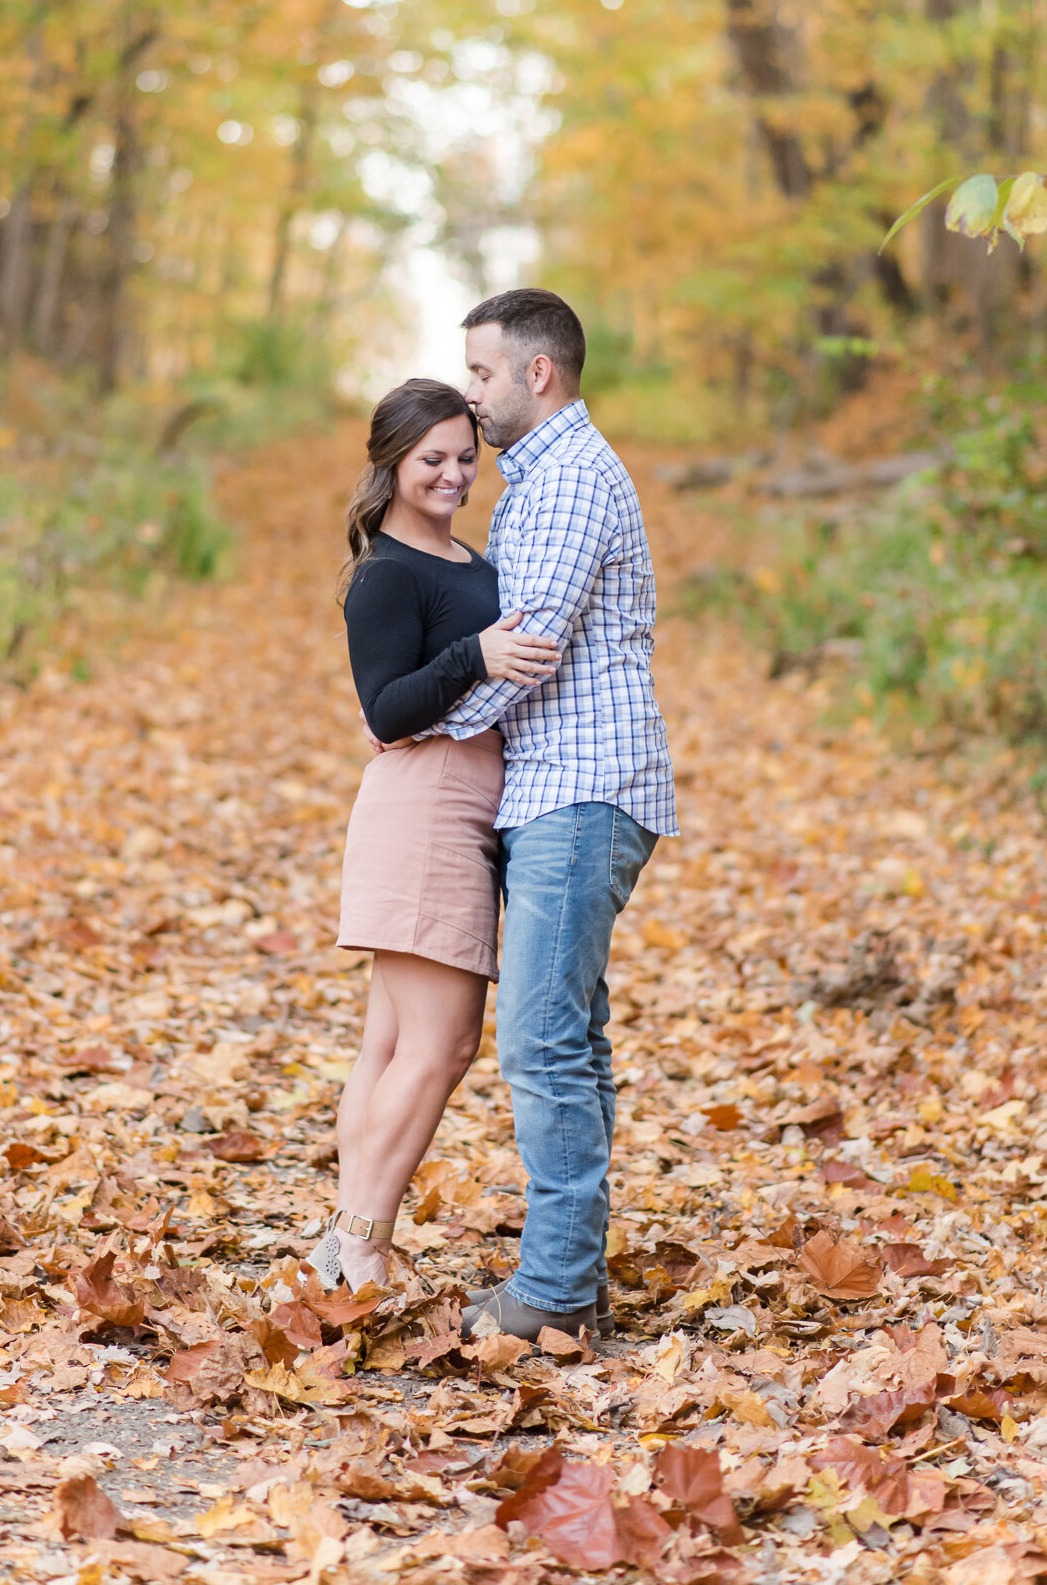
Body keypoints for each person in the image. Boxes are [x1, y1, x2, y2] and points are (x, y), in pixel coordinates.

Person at [422, 289, 679, 1345]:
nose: (469, 392)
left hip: (579, 787)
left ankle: (558, 1290)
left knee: (539, 1039)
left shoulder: (567, 477)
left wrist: (416, 728)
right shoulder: (540, 478)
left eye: (480, 372)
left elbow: (523, 649)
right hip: (560, 786)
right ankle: (570, 1270)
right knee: (568, 1034)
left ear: (536, 372)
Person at [308, 378, 560, 1294]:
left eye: (465, 456)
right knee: (441, 1045)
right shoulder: (386, 574)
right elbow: (385, 708)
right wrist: (477, 655)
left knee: (389, 1045)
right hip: (427, 807)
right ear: (391, 465)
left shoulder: (462, 557)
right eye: (431, 461)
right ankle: (362, 1243)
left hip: (456, 801)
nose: (454, 474)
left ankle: (344, 1246)